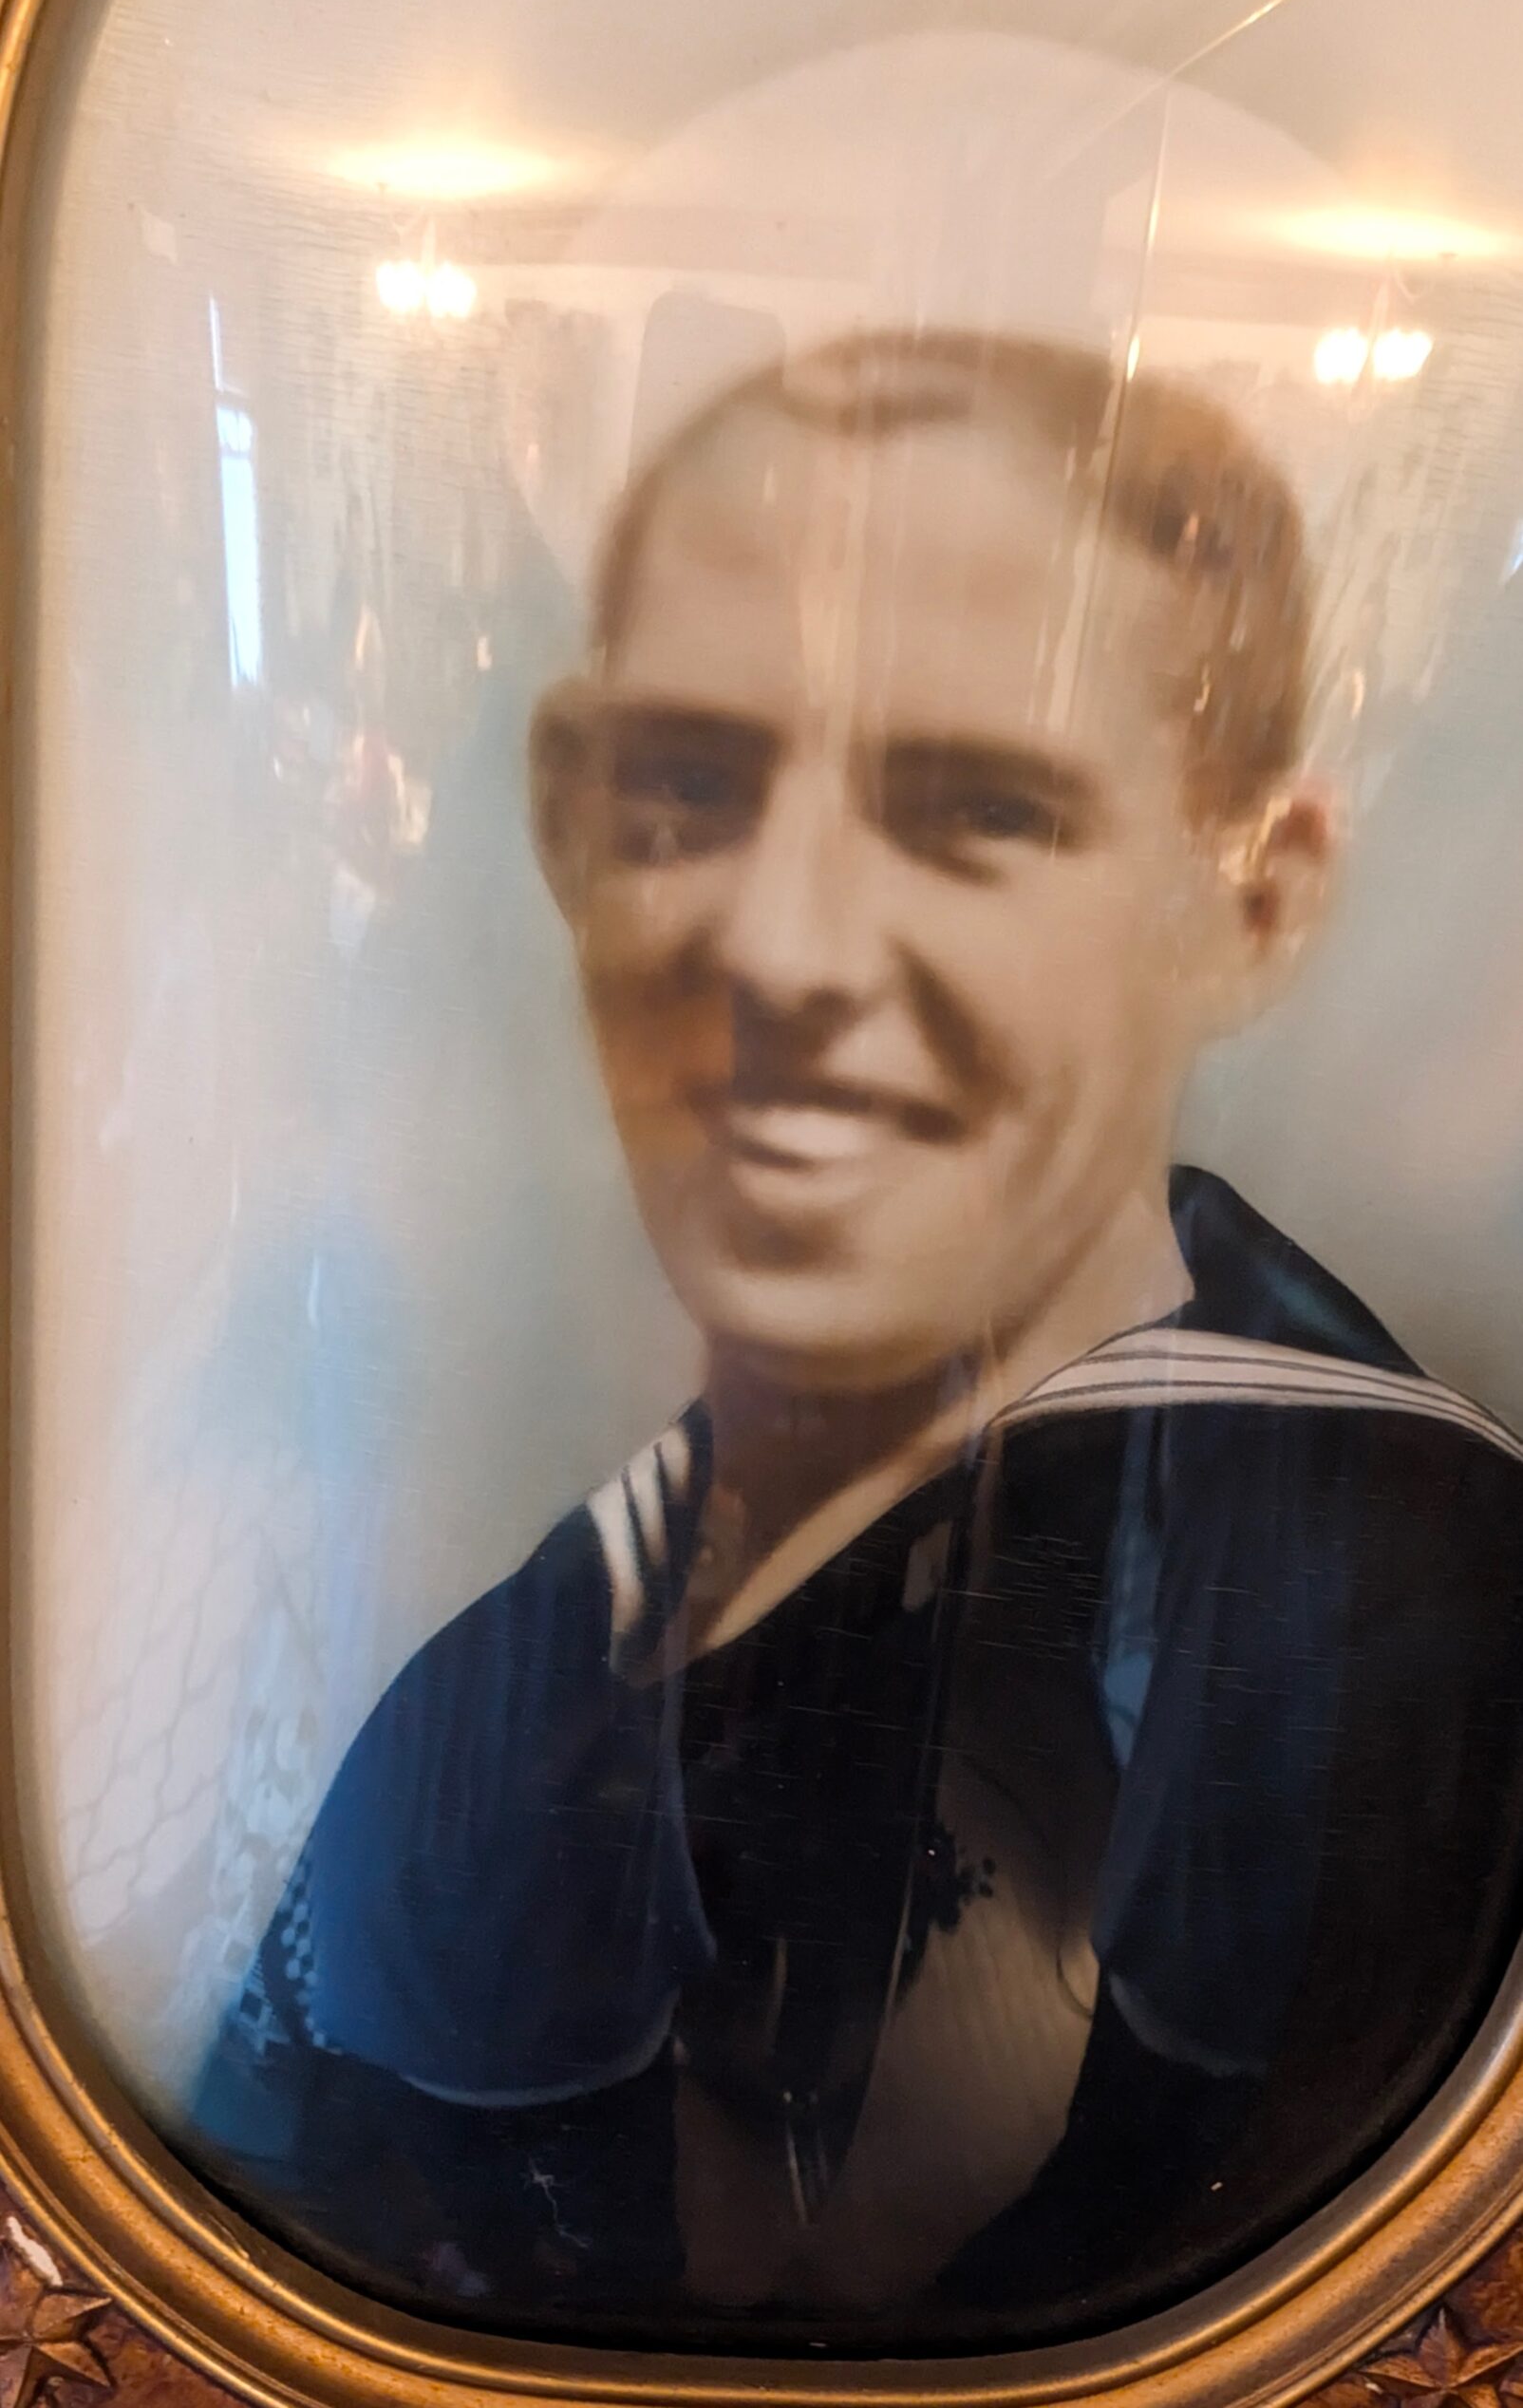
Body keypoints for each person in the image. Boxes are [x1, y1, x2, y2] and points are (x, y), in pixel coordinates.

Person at [183, 329, 1523, 2347]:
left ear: (1252, 901)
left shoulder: (1376, 1573)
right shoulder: (530, 1628)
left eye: (980, 808)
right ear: (567, 821)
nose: (785, 949)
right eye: (689, 789)